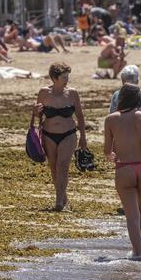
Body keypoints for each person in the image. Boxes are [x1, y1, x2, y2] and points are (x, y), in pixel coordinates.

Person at [103, 84, 141, 260]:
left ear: (121, 98)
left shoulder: (111, 119)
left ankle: (137, 252)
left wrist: (111, 155)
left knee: (131, 215)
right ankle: (138, 248)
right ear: (138, 99)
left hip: (124, 167)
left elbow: (107, 150)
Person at [33, 62, 88, 211]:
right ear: (54, 78)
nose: (67, 79)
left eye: (67, 76)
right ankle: (63, 199)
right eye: (64, 77)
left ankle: (58, 203)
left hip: (68, 134)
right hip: (48, 135)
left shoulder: (72, 93)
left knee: (62, 166)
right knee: (53, 167)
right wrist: (35, 111)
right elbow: (38, 116)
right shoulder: (44, 92)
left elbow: (80, 117)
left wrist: (83, 137)